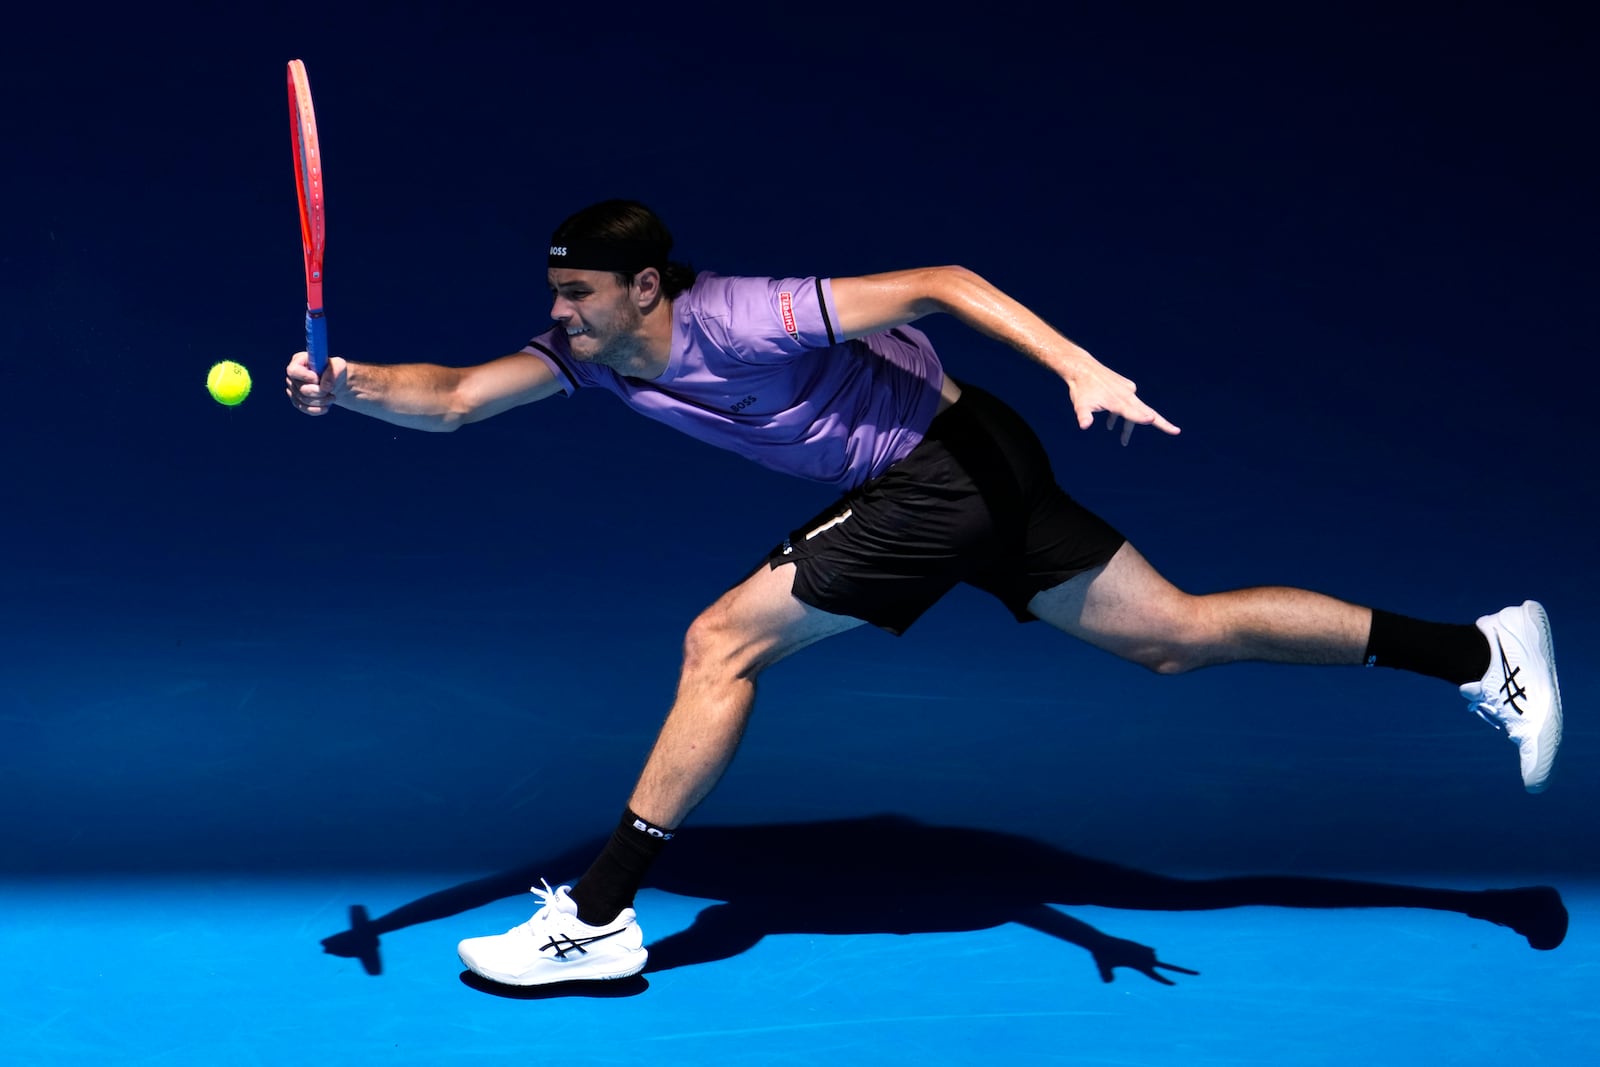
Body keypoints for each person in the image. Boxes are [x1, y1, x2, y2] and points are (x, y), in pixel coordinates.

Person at [285, 199, 1564, 987]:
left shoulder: (748, 315)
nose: (554, 312)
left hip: (947, 468)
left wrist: (1083, 364)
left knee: (721, 641)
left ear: (646, 286)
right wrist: (344, 386)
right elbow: (451, 396)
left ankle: (602, 916)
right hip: (967, 467)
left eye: (575, 292)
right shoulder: (590, 354)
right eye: (552, 292)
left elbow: (944, 281)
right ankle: (1478, 652)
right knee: (1172, 636)